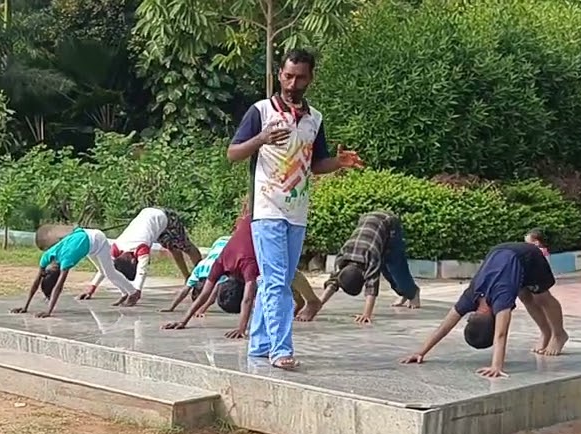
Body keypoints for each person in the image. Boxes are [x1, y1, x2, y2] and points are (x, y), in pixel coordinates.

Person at [227, 48, 364, 370]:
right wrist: (260, 139)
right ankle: (281, 349)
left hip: (297, 211)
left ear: (310, 78)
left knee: (279, 279)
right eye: (288, 75)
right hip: (267, 208)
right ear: (279, 75)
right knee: (276, 281)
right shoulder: (260, 111)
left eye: (300, 77)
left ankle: (260, 345)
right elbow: (233, 153)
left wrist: (340, 163)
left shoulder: (314, 119)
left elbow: (316, 164)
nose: (292, 83)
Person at [400, 241, 569, 378]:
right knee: (526, 297)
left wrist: (496, 366)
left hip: (528, 256)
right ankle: (546, 332)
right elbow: (445, 328)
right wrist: (420, 352)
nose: (469, 316)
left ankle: (559, 334)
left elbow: (500, 334)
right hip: (502, 254)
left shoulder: (484, 298)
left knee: (541, 297)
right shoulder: (483, 301)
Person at [312, 211, 421, 324]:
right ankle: (404, 293)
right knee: (383, 266)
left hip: (388, 223)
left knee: (395, 266)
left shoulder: (371, 256)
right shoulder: (343, 256)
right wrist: (317, 304)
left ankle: (413, 293)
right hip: (368, 221)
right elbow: (333, 281)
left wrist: (366, 314)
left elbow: (372, 285)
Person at [162, 214, 259, 339]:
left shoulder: (241, 265)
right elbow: (205, 294)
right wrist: (183, 321)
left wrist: (242, 328)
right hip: (254, 219)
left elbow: (247, 299)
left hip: (263, 220)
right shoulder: (222, 263)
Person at [13, 226, 139, 317]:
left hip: (97, 240)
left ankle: (133, 292)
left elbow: (59, 286)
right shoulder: (46, 256)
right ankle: (125, 293)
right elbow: (36, 282)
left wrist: (49, 311)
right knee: (104, 271)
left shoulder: (66, 260)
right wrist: (25, 307)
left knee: (109, 272)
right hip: (85, 239)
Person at [161, 235, 231, 314]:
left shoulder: (217, 271)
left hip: (229, 243)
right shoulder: (199, 269)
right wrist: (171, 308)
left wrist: (202, 309)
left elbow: (213, 296)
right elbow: (185, 291)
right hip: (220, 241)